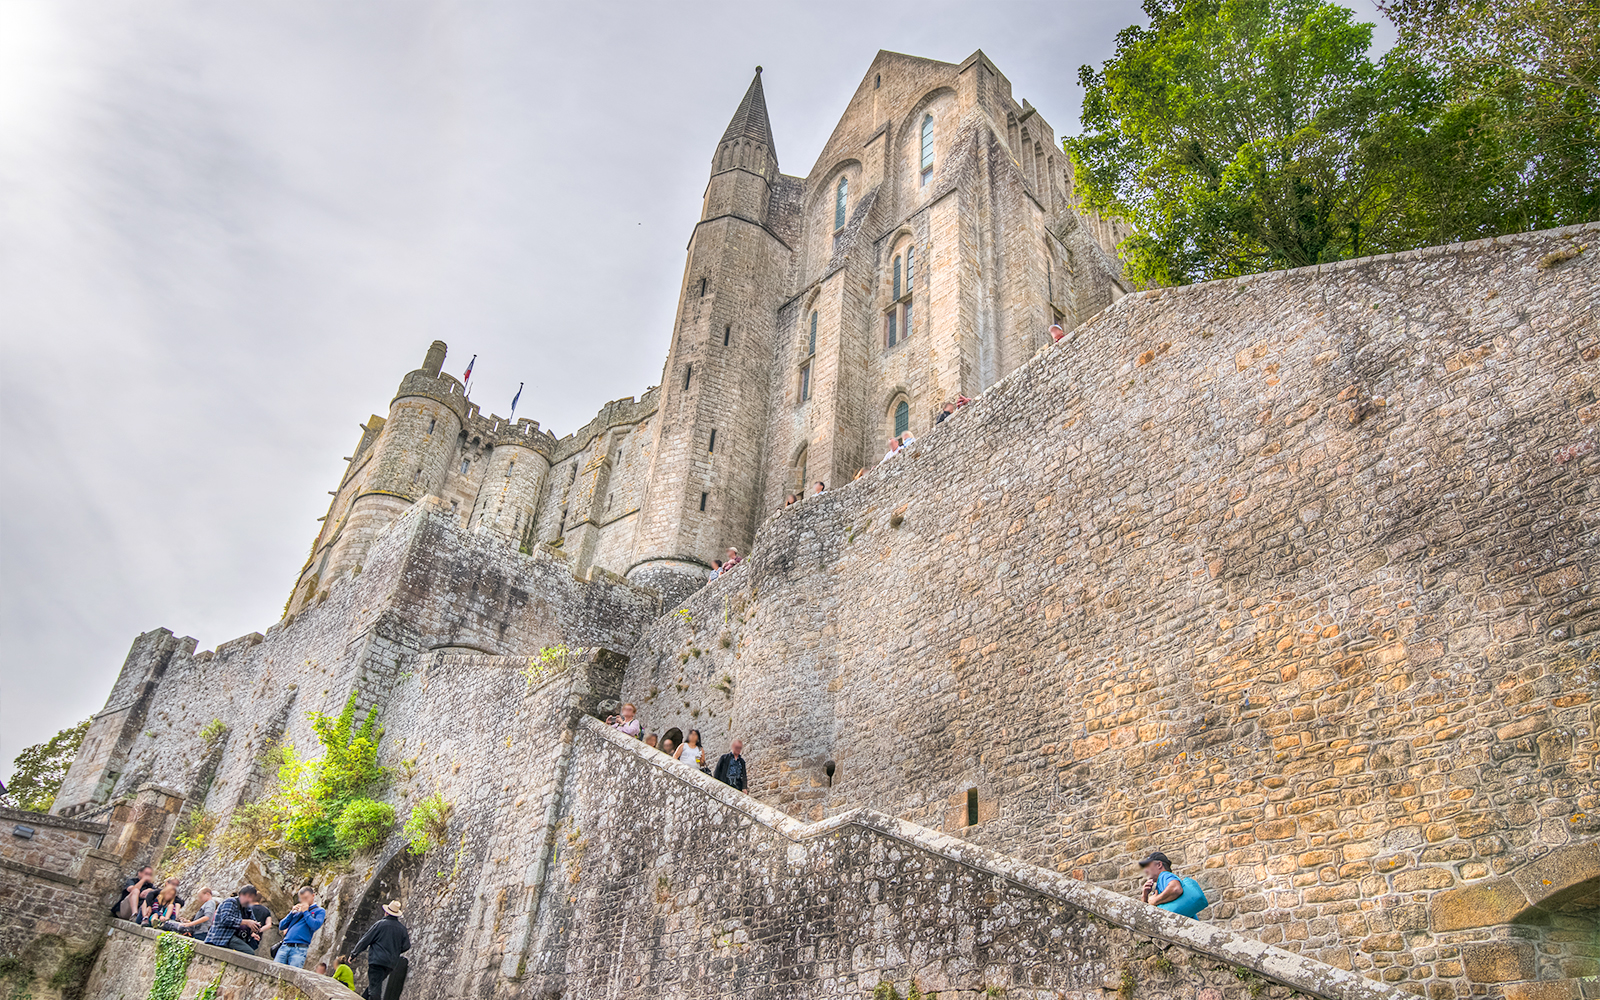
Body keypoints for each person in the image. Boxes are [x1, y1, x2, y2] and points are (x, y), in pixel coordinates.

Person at [351, 900, 410, 1000]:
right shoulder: (402, 929)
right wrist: (395, 950)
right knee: (375, 985)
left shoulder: (380, 924)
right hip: (390, 963)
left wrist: (354, 954)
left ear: (386, 912)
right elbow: (406, 946)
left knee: (374, 990)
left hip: (377, 961)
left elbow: (366, 939)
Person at [1139, 851, 1208, 918]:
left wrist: (1155, 900)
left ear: (1159, 865)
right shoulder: (1161, 883)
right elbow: (1146, 915)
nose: (1145, 870)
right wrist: (1144, 896)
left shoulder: (1164, 875)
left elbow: (1176, 888)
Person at [276, 885, 327, 968]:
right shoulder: (297, 910)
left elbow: (314, 925)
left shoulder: (319, 911)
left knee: (292, 974)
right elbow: (281, 926)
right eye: (301, 898)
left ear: (313, 896)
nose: (303, 901)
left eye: (306, 898)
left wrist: (306, 911)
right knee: (275, 970)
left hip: (299, 949)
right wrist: (291, 913)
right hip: (285, 945)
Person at [204, 885, 263, 955]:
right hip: (223, 937)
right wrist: (246, 922)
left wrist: (252, 932)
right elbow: (225, 919)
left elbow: (252, 921)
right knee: (249, 953)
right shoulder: (230, 902)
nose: (250, 901)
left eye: (252, 899)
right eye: (250, 897)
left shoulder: (247, 908)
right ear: (242, 895)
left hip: (236, 937)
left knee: (253, 946)